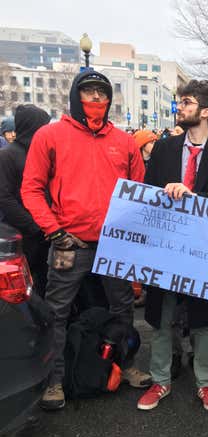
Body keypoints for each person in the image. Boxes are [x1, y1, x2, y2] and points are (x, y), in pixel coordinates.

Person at [21, 70, 152, 410]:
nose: (95, 99)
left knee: (123, 310)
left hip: (114, 244)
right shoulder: (50, 136)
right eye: (89, 91)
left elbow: (138, 191)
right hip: (69, 243)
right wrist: (54, 230)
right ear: (76, 96)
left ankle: (124, 366)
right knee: (57, 314)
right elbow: (31, 189)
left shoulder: (124, 142)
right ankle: (54, 381)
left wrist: (132, 236)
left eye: (102, 93)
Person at [137, 80, 208, 412]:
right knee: (162, 316)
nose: (179, 107)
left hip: (203, 251)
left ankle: (205, 384)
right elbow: (146, 196)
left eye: (186, 102)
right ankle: (160, 381)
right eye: (179, 102)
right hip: (166, 249)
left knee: (203, 322)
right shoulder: (165, 149)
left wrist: (195, 197)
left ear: (205, 111)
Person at [0, 105, 51, 296]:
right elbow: (5, 199)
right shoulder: (7, 156)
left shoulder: (42, 152)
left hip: (46, 233)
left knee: (46, 284)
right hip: (23, 234)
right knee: (26, 288)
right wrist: (35, 226)